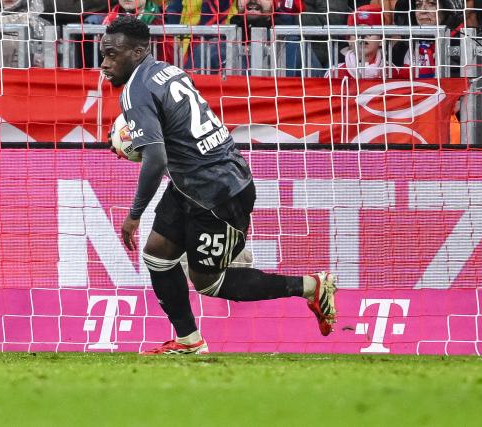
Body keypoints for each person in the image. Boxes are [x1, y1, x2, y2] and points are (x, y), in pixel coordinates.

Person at [100, 15, 338, 355]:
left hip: (217, 193)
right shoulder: (166, 70)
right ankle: (188, 341)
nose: (105, 64)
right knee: (157, 255)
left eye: (113, 55)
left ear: (138, 52)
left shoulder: (136, 92)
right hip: (193, 182)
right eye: (102, 55)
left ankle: (310, 287)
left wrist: (134, 214)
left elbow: (156, 160)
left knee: (209, 282)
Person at [325, 5, 389, 79]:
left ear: (381, 39)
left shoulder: (393, 72)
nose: (362, 35)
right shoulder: (334, 73)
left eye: (369, 30)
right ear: (348, 39)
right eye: (357, 31)